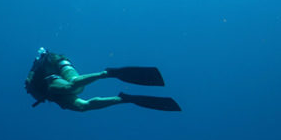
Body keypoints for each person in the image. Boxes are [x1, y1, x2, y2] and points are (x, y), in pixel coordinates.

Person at [24, 48, 181, 112]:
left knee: (72, 86)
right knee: (82, 106)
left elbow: (33, 82)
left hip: (55, 71)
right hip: (53, 89)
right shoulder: (35, 86)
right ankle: (123, 99)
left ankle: (107, 73)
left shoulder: (35, 78)